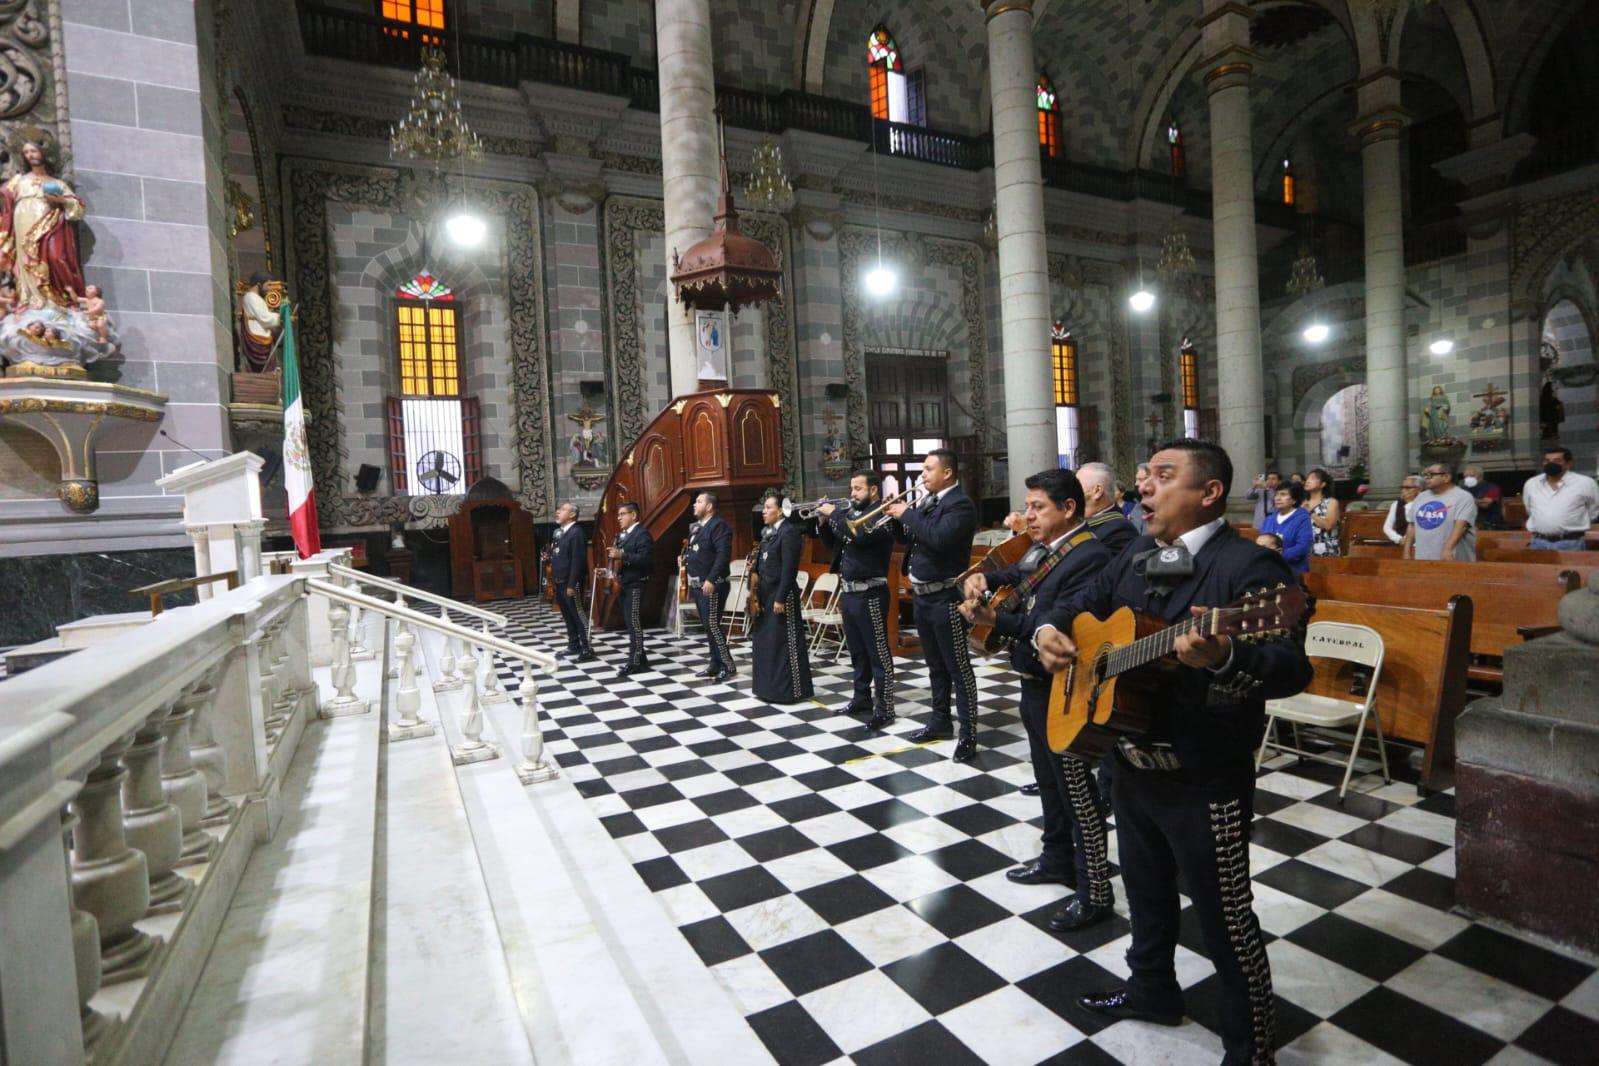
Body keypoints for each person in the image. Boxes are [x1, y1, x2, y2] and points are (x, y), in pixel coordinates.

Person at [1034, 439, 1312, 1066]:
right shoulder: (1137, 553)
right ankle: (1152, 990)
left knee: (1224, 916)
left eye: (1163, 477)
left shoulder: (1251, 571)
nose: (1145, 489)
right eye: (1143, 477)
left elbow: (1293, 670)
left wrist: (1227, 657)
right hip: (1130, 763)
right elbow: (1080, 604)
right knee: (1146, 892)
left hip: (1202, 776)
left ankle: (1251, 1046)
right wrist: (1050, 629)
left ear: (1209, 492)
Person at [961, 469, 1114, 929]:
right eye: (1027, 506)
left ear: (1069, 508)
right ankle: (1055, 859)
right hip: (1032, 680)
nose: (1028, 515)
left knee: (1075, 787)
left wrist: (998, 620)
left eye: (1037, 507)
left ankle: (1094, 888)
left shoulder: (1089, 554)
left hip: (1064, 685)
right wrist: (980, 580)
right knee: (1048, 780)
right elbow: (1015, 573)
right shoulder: (1044, 548)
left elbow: (1054, 620)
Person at [886, 449, 980, 761]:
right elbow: (916, 539)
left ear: (948, 473)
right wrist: (896, 520)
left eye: (928, 469)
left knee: (957, 667)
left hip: (946, 597)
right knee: (935, 665)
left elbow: (939, 538)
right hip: (923, 596)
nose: (922, 475)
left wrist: (907, 514)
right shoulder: (929, 502)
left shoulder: (960, 505)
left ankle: (968, 734)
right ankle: (940, 721)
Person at [817, 473, 896, 730]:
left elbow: (859, 536)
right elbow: (835, 545)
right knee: (857, 652)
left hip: (870, 592)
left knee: (877, 653)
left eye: (858, 488)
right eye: (851, 488)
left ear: (873, 490)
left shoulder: (880, 515)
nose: (852, 493)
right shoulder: (852, 515)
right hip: (850, 592)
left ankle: (885, 708)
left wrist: (835, 514)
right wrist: (823, 522)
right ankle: (861, 698)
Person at [0, 140, 86, 309]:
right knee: (26, 258)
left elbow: (78, 208)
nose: (30, 155)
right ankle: (32, 299)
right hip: (23, 220)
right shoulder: (18, 180)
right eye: (26, 152)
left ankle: (58, 300)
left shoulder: (58, 183)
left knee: (56, 257)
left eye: (34, 151)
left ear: (44, 153)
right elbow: (4, 200)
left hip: (51, 221)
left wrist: (62, 201)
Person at [752, 494, 814, 703]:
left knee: (785, 643)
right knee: (768, 642)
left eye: (768, 507)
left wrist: (780, 597)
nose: (763, 511)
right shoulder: (768, 532)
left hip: (781, 594)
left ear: (779, 510)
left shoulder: (789, 532)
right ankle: (769, 688)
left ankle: (792, 690)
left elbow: (789, 568)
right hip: (765, 593)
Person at [683, 492, 736, 681]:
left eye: (699, 502)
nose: (694, 505)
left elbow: (723, 556)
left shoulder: (718, 526)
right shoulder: (697, 528)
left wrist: (711, 579)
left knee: (713, 625)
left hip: (713, 585)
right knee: (708, 626)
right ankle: (714, 663)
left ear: (709, 507)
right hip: (699, 585)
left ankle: (728, 665)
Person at [607, 502, 655, 676]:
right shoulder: (623, 535)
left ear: (633, 515)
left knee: (633, 623)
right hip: (624, 584)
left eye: (622, 514)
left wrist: (623, 555)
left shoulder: (642, 534)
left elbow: (646, 560)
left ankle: (634, 662)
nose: (619, 518)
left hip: (636, 584)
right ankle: (641, 658)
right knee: (630, 622)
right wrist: (607, 571)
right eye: (618, 514)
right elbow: (620, 562)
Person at [1522, 446, 1599, 551]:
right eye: (1547, 460)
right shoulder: (1532, 483)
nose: (1550, 463)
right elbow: (1529, 509)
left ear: (1568, 464)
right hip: (1538, 542)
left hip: (1571, 542)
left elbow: (1594, 510)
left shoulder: (1585, 483)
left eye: (1557, 460)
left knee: (1570, 568)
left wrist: (1573, 521)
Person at [549, 501, 596, 662]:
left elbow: (578, 560)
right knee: (567, 615)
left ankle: (586, 647)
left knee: (578, 614)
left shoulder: (576, 532)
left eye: (562, 510)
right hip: (559, 581)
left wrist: (572, 584)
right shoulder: (560, 532)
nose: (558, 512)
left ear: (572, 514)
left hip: (571, 582)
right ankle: (573, 644)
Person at [1403, 465, 1477, 561]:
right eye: (1425, 474)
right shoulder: (1421, 497)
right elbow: (1412, 525)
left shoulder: (1463, 497)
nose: (1426, 477)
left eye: (1430, 474)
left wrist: (1447, 549)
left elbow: (1461, 526)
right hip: (1422, 557)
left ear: (1446, 477)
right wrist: (1406, 551)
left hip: (1452, 557)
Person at [1078, 462, 1139, 556]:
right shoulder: (1085, 523)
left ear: (1097, 491)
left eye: (1077, 486)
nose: (1072, 492)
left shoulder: (1120, 531)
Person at [1259, 482, 1312, 573]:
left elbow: (1303, 547)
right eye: (1276, 494)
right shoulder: (1269, 519)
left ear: (1294, 500)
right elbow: (1262, 541)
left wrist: (1278, 556)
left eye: (1283, 494)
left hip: (1294, 571)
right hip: (1269, 569)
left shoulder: (1302, 518)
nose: (1278, 498)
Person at [237, 272, 280, 372]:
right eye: (268, 285)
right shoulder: (251, 297)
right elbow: (263, 317)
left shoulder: (258, 298)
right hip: (257, 338)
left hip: (263, 335)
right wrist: (280, 317)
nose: (270, 288)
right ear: (259, 284)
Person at [1301, 468, 1341, 558]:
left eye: (1312, 478)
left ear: (1323, 484)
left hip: (1326, 548)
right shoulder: (1303, 503)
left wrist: (1310, 512)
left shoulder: (1331, 502)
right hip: (1305, 549)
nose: (1307, 481)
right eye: (1307, 478)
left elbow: (1328, 525)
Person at [1462, 465, 1504, 530]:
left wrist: (1467, 500)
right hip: (1469, 524)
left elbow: (1485, 504)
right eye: (1466, 476)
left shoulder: (1493, 488)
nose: (1468, 478)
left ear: (1481, 476)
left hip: (1490, 525)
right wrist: (1479, 501)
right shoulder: (1463, 489)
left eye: (1471, 476)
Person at [1383, 476, 1422, 544]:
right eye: (1402, 487)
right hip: (1401, 542)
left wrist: (1409, 502)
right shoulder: (1396, 504)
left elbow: (1415, 524)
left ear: (1418, 489)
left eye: (1408, 488)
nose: (1403, 490)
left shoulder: (1425, 504)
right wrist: (1399, 539)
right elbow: (1387, 527)